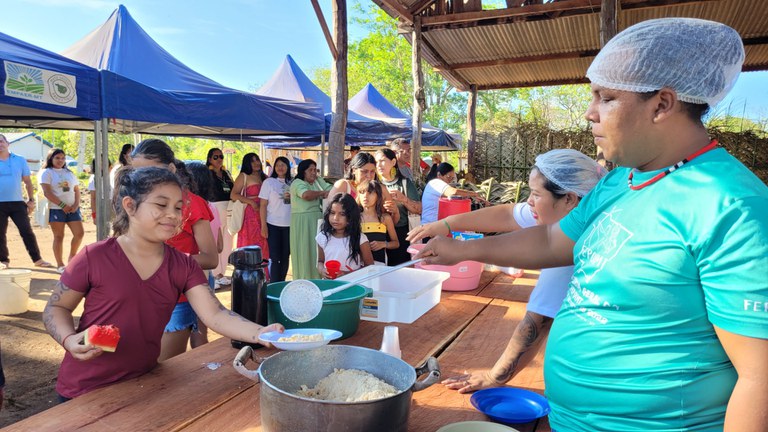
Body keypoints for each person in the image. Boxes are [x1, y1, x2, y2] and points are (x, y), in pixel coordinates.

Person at [416, 18, 768, 431]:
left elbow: (758, 376)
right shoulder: (622, 180)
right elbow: (551, 240)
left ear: (662, 104)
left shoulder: (730, 204)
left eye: (606, 97)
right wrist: (461, 248)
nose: (589, 113)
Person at [42, 166, 282, 400]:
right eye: (161, 205)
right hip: (83, 390)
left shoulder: (183, 265)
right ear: (130, 206)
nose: (173, 215)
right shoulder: (93, 257)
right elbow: (56, 307)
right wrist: (68, 339)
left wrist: (260, 333)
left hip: (143, 384)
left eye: (178, 208)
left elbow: (215, 315)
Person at [408, 149, 606, 393]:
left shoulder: (579, 247)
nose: (529, 202)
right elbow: (507, 213)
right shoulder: (569, 209)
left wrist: (495, 376)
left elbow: (536, 321)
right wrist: (445, 224)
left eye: (535, 195)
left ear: (570, 199)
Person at [130, 139, 217, 361]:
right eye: (136, 172)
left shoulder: (192, 204)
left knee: (162, 369)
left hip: (176, 299)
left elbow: (210, 258)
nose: (142, 179)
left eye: (151, 171)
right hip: (141, 295)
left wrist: (167, 260)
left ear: (170, 169)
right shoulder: (135, 203)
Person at [0, 133, 52, 269]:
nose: (0, 144)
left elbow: (28, 182)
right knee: (0, 233)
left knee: (26, 231)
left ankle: (37, 259)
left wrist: (30, 200)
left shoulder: (19, 160)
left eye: (1, 141)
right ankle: (3, 261)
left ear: (7, 143)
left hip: (17, 202)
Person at [39, 149, 85, 274]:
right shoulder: (46, 173)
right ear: (51, 159)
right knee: (59, 236)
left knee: (79, 233)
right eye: (57, 158)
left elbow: (76, 190)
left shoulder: (69, 173)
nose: (60, 160)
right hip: (56, 209)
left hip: (72, 209)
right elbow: (47, 192)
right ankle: (60, 264)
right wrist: (62, 205)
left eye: (63, 158)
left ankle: (72, 257)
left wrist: (76, 204)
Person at [375, 148, 421, 265]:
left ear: (393, 162)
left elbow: (419, 209)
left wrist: (404, 199)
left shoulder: (405, 183)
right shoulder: (374, 185)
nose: (379, 165)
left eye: (383, 161)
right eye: (376, 162)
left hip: (402, 233)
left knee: (401, 269)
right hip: (378, 234)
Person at [328, 152, 399, 225]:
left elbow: (391, 223)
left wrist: (395, 212)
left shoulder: (381, 189)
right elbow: (329, 212)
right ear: (354, 170)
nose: (369, 176)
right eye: (364, 171)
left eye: (372, 172)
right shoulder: (343, 185)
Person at [290, 159, 331, 280]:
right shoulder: (297, 183)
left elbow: (331, 189)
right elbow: (306, 195)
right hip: (303, 222)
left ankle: (317, 278)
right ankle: (304, 280)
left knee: (316, 251)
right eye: (310, 170)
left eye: (315, 170)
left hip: (317, 220)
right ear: (303, 172)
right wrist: (322, 193)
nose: (313, 173)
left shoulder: (317, 181)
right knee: (304, 251)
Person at [316, 193, 373, 278]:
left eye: (342, 214)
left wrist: (347, 274)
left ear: (351, 217)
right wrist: (321, 270)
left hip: (352, 285)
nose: (335, 218)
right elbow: (320, 261)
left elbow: (370, 267)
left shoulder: (360, 239)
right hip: (329, 285)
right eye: (332, 213)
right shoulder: (323, 237)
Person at [230, 153, 270, 264]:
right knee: (250, 243)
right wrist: (251, 202)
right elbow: (233, 195)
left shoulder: (264, 177)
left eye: (257, 160)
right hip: (250, 215)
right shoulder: (244, 176)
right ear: (247, 163)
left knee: (264, 243)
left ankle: (264, 275)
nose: (256, 163)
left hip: (265, 214)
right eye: (252, 161)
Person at [258, 156, 293, 282]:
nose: (280, 167)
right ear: (274, 167)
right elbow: (263, 205)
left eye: (283, 165)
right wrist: (263, 225)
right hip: (272, 224)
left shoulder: (293, 182)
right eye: (278, 165)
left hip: (289, 226)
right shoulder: (268, 182)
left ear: (288, 167)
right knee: (275, 256)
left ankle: (281, 283)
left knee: (285, 257)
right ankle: (274, 283)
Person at [206, 148, 235, 286]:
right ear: (210, 159)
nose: (219, 159)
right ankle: (214, 274)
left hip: (229, 208)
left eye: (221, 156)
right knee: (216, 242)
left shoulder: (226, 173)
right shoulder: (207, 173)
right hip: (214, 207)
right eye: (216, 157)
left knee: (227, 243)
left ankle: (222, 273)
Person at [356, 180, 398, 265]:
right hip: (357, 264)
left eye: (370, 193)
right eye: (362, 192)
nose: (365, 196)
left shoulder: (385, 218)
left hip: (379, 265)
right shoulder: (355, 218)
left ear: (378, 197)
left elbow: (396, 243)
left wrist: (383, 244)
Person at [87, 157, 112, 223]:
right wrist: (94, 215)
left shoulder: (113, 175)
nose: (102, 164)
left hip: (114, 204)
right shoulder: (93, 178)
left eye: (103, 162)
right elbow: (93, 198)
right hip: (102, 205)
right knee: (104, 230)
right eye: (99, 163)